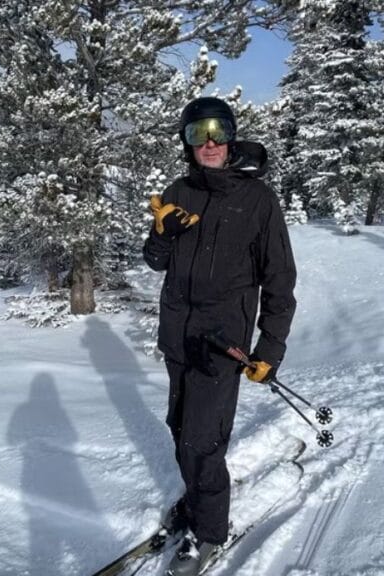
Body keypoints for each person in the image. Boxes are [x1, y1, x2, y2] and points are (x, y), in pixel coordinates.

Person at [142, 96, 297, 575]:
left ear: (231, 137)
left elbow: (280, 281)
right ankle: (194, 503)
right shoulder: (179, 190)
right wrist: (162, 234)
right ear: (186, 144)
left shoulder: (257, 200)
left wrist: (269, 348)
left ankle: (209, 532)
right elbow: (155, 260)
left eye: (217, 132)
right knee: (180, 429)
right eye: (196, 134)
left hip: (220, 342)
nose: (208, 143)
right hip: (177, 337)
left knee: (203, 441)